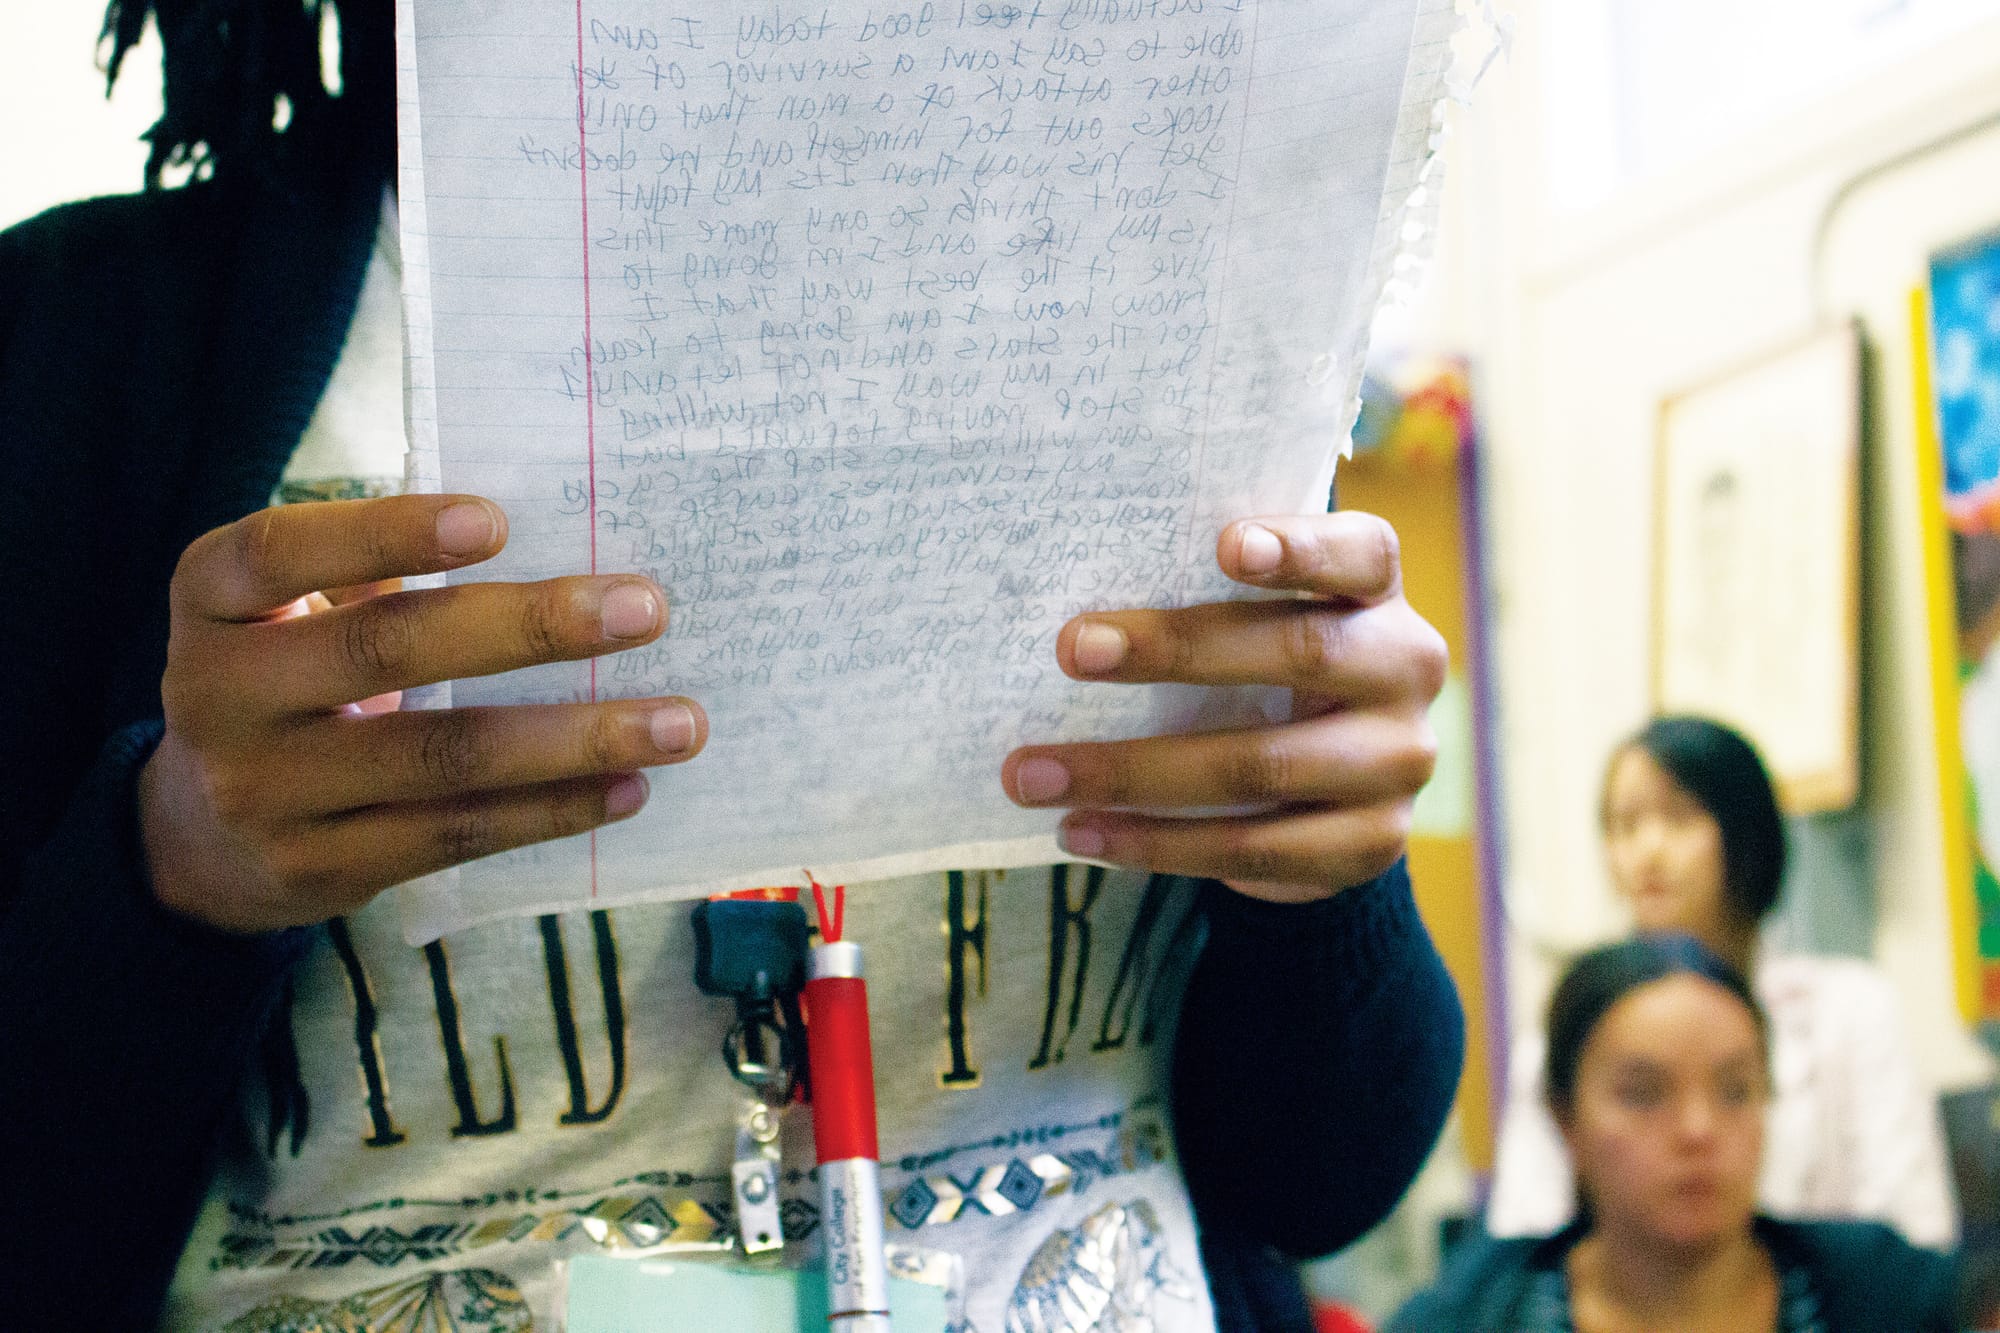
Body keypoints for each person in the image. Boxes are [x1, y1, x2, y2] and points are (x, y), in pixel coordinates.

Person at [0, 1, 1465, 1328]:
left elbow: (1318, 1185)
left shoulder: (1163, 294)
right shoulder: (81, 347)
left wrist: (1329, 881)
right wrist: (169, 879)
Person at [1486, 716, 1957, 1248]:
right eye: (1624, 825)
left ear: (1746, 834)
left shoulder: (1850, 1012)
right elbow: (1524, 1244)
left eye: (1679, 818)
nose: (1648, 850)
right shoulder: (1569, 1036)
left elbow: (1914, 1234)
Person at [1388, 935, 1961, 1333]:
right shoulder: (1472, 1316)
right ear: (1566, 1119)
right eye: (1644, 1094)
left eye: (1736, 1090)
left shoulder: (1890, 1296)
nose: (1698, 1131)